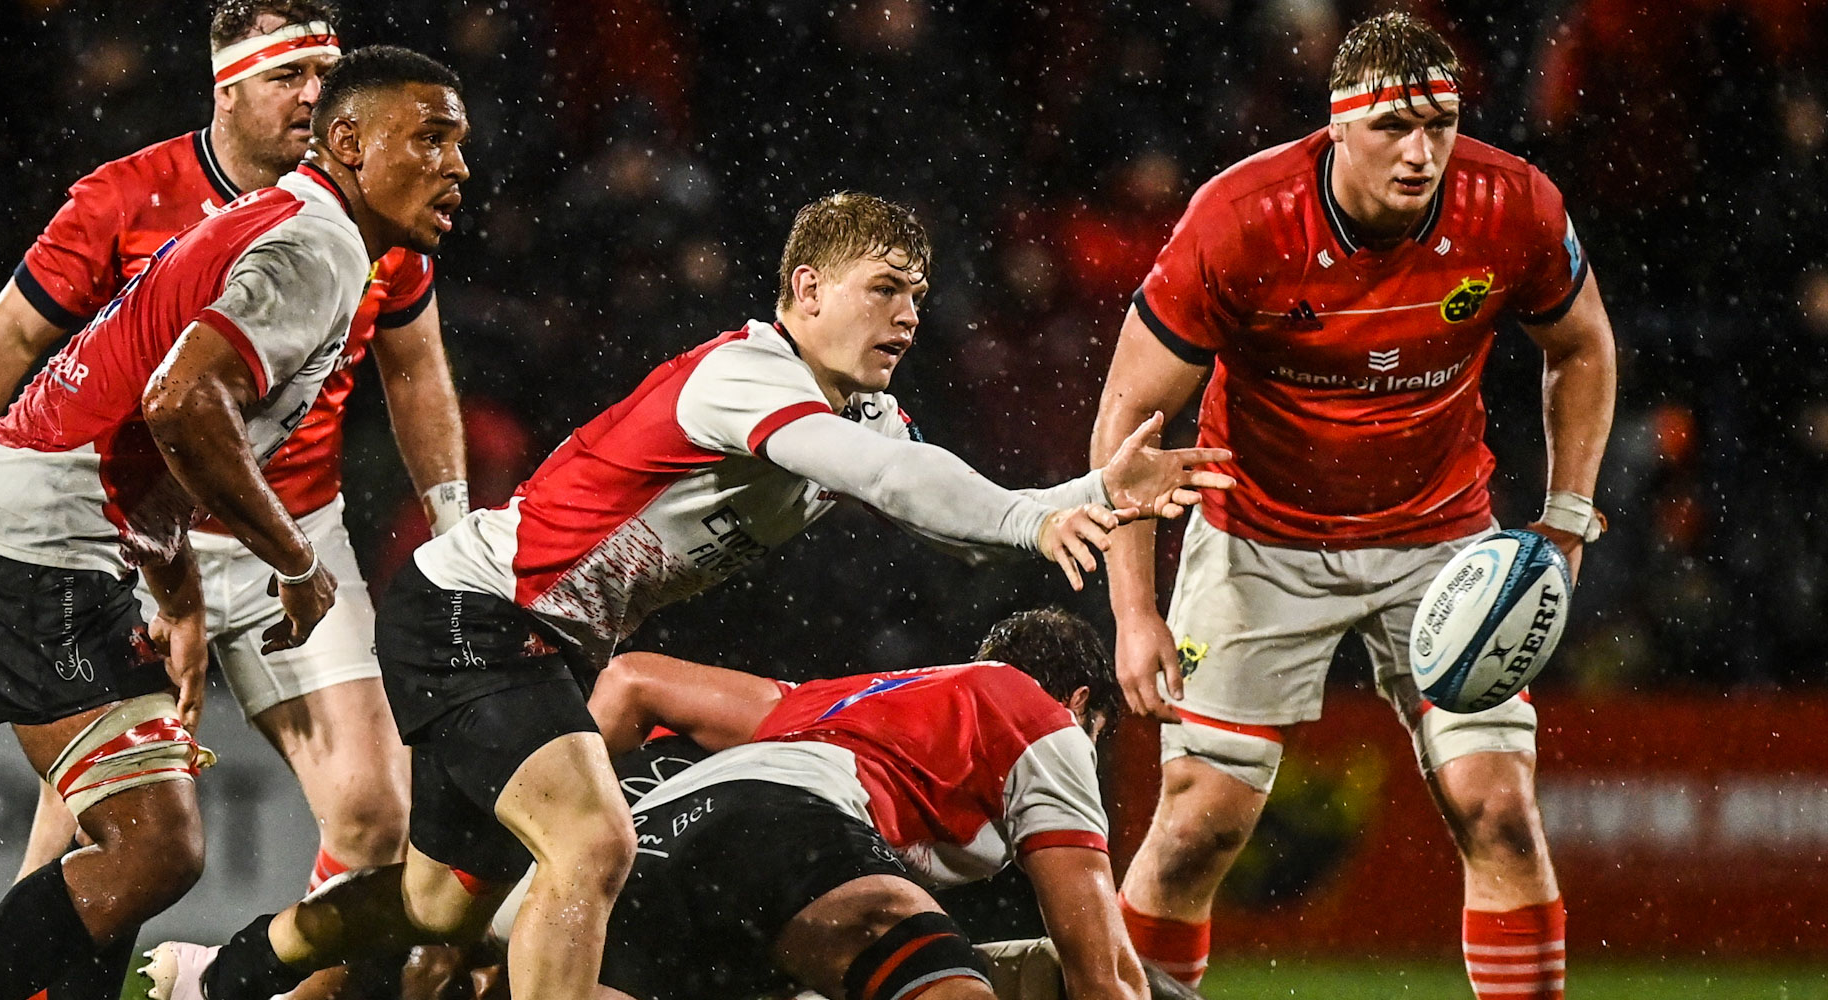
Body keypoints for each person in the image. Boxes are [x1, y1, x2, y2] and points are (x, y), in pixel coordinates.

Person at [142, 191, 1232, 1000]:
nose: (907, 314)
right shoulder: (744, 376)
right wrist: (1036, 518)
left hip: (537, 639)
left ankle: (222, 974)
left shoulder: (867, 417)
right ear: (806, 291)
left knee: (435, 901)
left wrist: (1091, 492)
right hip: (477, 612)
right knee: (590, 843)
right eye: (882, 288)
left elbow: (933, 498)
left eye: (916, 293)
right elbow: (898, 481)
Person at [0, 6, 464, 992]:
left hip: (152, 531)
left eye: (325, 72)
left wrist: (184, 590)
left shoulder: (336, 225)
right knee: (137, 842)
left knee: (180, 839)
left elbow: (167, 442)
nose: (457, 168)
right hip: (60, 536)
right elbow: (170, 406)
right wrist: (291, 564)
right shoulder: (299, 240)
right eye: (432, 140)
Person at [1091, 13, 1615, 1000]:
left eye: (1439, 125)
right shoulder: (1240, 219)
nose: (1420, 153)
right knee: (1199, 828)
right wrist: (1132, 609)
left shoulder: (1512, 204)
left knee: (1500, 813)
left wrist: (1568, 512)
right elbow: (1127, 421)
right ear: (1336, 125)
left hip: (1443, 544)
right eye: (1392, 128)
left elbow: (1581, 343)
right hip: (1258, 542)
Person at [594, 608, 1145, 1000]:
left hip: (636, 856)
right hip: (789, 826)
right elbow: (1106, 977)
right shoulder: (1046, 717)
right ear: (1079, 702)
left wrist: (570, 817)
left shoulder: (840, 699)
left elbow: (634, 679)